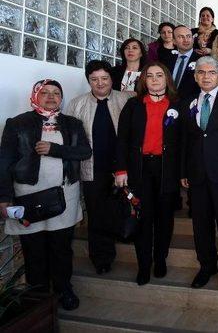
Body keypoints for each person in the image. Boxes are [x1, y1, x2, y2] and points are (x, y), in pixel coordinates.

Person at [0, 79, 92, 310]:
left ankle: (63, 289)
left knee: (61, 247)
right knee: (34, 250)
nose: (51, 97)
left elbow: (84, 151)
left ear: (62, 98)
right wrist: (4, 197)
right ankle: (38, 296)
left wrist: (55, 150)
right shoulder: (17, 123)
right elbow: (4, 162)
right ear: (35, 96)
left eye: (56, 93)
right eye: (45, 93)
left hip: (65, 196)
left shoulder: (72, 123)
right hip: (28, 196)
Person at [115, 62, 182, 286]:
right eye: (149, 76)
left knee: (165, 218)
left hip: (167, 170)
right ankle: (143, 265)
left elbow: (185, 143)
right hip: (139, 169)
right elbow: (122, 139)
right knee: (143, 218)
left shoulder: (177, 104)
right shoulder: (133, 105)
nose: (154, 79)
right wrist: (121, 169)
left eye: (159, 75)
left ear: (167, 79)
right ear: (143, 80)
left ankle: (160, 259)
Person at [64, 61, 132, 275]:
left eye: (104, 78)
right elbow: (69, 139)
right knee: (97, 213)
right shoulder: (76, 104)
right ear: (88, 81)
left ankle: (128, 240)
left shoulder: (127, 99)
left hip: (124, 167)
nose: (100, 83)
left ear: (112, 79)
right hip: (92, 168)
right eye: (94, 79)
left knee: (125, 207)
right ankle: (102, 257)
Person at [180, 56, 218, 290]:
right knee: (200, 224)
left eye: (211, 73)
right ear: (195, 77)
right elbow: (184, 139)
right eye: (201, 73)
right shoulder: (187, 102)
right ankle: (206, 266)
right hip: (196, 173)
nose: (206, 76)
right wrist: (183, 170)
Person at [159, 25, 201, 100]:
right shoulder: (166, 59)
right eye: (181, 37)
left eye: (188, 36)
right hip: (166, 103)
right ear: (174, 41)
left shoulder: (202, 61)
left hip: (190, 106)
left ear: (193, 39)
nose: (186, 40)